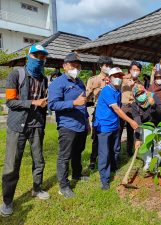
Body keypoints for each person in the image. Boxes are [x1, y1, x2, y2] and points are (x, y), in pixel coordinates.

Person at [1, 44, 49, 217]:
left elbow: (43, 101)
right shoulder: (16, 74)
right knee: (12, 164)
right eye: (36, 56)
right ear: (29, 56)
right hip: (17, 126)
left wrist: (43, 113)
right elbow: (10, 101)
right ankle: (7, 201)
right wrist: (32, 103)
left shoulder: (44, 78)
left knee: (39, 160)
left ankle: (37, 188)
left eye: (43, 57)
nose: (40, 59)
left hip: (36, 125)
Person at [48, 53, 90, 198]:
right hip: (67, 125)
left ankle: (77, 175)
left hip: (81, 124)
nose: (76, 68)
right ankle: (63, 186)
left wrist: (87, 122)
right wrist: (73, 103)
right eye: (73, 65)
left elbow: (83, 104)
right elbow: (52, 104)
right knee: (64, 156)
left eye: (78, 66)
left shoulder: (80, 82)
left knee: (77, 152)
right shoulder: (58, 83)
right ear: (65, 66)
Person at [94, 67, 139, 190]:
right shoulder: (107, 91)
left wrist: (119, 123)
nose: (118, 78)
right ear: (109, 78)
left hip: (114, 125)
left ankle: (113, 168)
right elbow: (117, 109)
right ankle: (105, 179)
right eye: (115, 76)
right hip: (104, 126)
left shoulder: (118, 91)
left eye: (120, 76)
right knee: (104, 153)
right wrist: (130, 121)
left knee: (115, 149)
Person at [86, 56, 113, 170]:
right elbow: (86, 97)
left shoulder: (113, 79)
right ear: (101, 66)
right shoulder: (93, 79)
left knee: (111, 136)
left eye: (109, 66)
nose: (108, 68)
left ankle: (109, 159)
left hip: (112, 110)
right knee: (96, 137)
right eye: (106, 65)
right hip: (99, 111)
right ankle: (93, 160)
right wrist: (93, 89)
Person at [132, 84, 161, 169]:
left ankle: (156, 163)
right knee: (146, 143)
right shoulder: (135, 105)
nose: (141, 95)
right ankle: (147, 162)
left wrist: (154, 105)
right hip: (147, 125)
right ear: (135, 96)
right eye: (138, 94)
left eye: (142, 92)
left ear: (145, 91)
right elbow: (137, 123)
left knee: (158, 144)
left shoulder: (153, 96)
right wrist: (137, 139)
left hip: (159, 123)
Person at [120, 61, 143, 156]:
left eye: (137, 70)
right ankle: (116, 152)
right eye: (134, 69)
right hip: (123, 106)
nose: (135, 71)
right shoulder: (122, 80)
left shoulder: (141, 83)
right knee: (119, 129)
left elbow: (141, 96)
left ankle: (130, 151)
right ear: (130, 70)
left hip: (134, 106)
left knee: (131, 130)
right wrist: (125, 77)